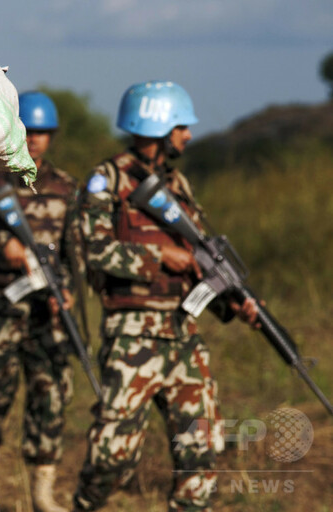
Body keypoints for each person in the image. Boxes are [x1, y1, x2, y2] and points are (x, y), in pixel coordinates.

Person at [72, 80, 258, 512]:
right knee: (113, 458)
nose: (188, 135)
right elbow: (92, 251)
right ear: (157, 126)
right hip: (131, 337)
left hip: (183, 335)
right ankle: (83, 503)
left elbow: (201, 258)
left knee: (201, 453)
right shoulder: (107, 180)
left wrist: (237, 300)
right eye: (181, 126)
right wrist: (159, 256)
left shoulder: (178, 184)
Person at [0, 90, 80, 512]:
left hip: (50, 311)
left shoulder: (66, 186)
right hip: (0, 308)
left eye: (44, 132)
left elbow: (74, 251)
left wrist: (69, 294)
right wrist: (0, 242)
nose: (37, 140)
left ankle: (42, 495)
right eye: (30, 130)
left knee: (50, 397)